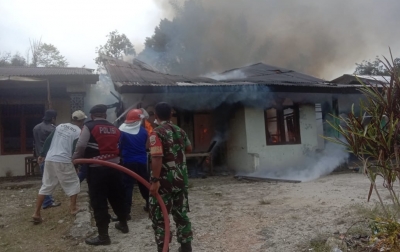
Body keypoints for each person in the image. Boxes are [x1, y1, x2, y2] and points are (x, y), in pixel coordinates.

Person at [72, 104, 128, 246]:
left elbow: (81, 145)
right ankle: (123, 223)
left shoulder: (89, 126)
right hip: (115, 168)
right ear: (105, 115)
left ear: (92, 116)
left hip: (97, 169)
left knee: (99, 201)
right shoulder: (115, 128)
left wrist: (76, 159)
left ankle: (104, 236)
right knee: (117, 196)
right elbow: (120, 146)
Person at [149, 102, 193, 252]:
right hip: (180, 180)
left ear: (156, 115)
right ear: (171, 115)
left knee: (160, 217)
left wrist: (155, 181)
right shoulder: (180, 131)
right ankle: (186, 247)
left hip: (164, 182)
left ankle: (164, 248)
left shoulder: (156, 133)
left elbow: (156, 157)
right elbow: (189, 148)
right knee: (181, 214)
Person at [31, 110, 87, 224]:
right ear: (81, 121)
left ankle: (36, 213)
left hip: (50, 159)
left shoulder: (60, 126)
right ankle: (73, 208)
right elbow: (75, 148)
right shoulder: (78, 131)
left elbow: (48, 140)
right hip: (63, 160)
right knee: (74, 182)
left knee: (46, 185)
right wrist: (75, 164)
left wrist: (42, 154)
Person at [119, 109, 150, 219]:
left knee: (128, 186)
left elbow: (119, 146)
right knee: (144, 183)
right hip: (142, 161)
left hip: (128, 162)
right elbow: (145, 145)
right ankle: (149, 205)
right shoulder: (144, 131)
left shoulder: (122, 132)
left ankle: (126, 212)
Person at [33, 109, 60, 209]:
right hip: (49, 157)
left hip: (40, 156)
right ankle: (47, 202)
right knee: (48, 180)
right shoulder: (53, 129)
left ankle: (48, 200)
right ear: (53, 118)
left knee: (45, 179)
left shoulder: (36, 127)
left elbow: (35, 143)